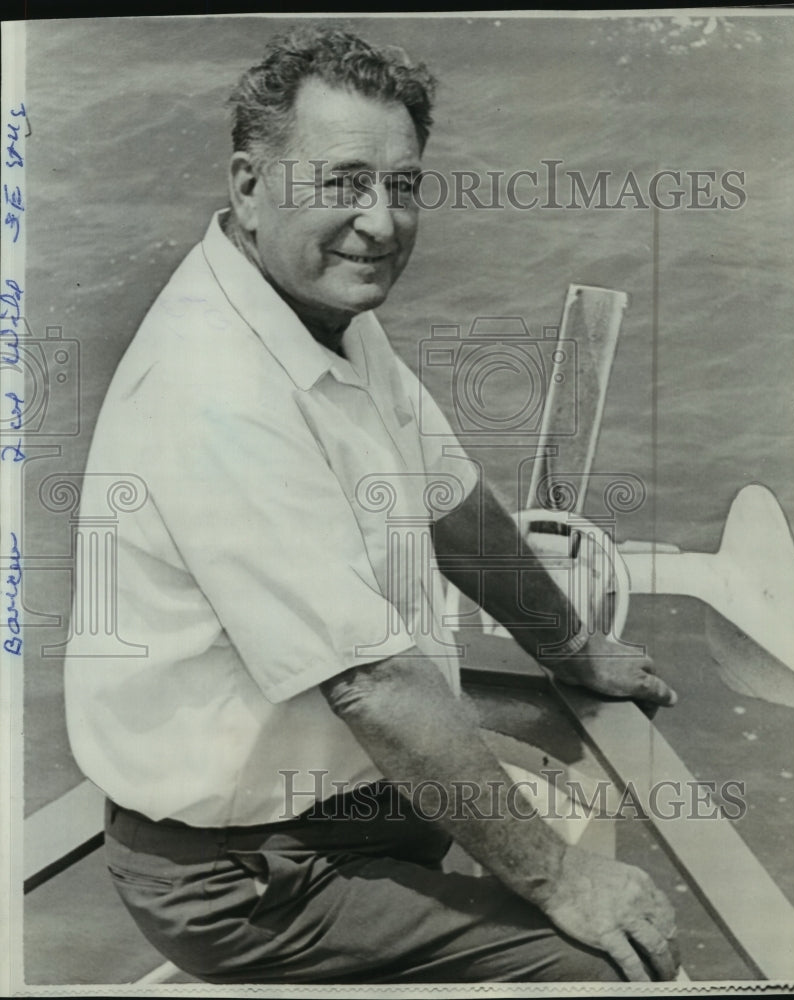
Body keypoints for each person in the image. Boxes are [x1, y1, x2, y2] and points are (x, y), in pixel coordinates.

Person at [64, 24, 679, 985]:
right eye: (343, 182)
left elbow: (452, 503)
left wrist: (570, 648)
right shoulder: (214, 394)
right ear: (249, 186)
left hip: (345, 796)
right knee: (611, 967)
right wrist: (560, 881)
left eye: (402, 186)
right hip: (248, 874)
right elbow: (375, 686)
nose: (380, 222)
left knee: (559, 792)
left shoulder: (317, 311)